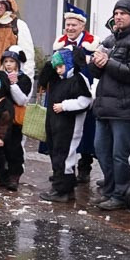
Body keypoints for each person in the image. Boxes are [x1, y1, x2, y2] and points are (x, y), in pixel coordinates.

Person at [87, 0, 130, 211]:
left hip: (126, 108)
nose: (118, 17)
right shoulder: (110, 39)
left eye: (123, 13)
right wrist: (95, 62)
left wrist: (109, 63)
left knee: (120, 154)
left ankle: (121, 194)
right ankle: (109, 189)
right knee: (101, 149)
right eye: (116, 13)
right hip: (105, 106)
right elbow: (96, 71)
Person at [39, 50, 93, 202]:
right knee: (57, 155)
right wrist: (52, 62)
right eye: (56, 68)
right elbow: (43, 80)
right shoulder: (57, 78)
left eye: (61, 66)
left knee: (65, 156)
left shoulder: (78, 79)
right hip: (56, 125)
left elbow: (85, 101)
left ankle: (62, 190)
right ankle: (63, 187)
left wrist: (65, 106)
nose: (58, 70)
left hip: (70, 126)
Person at [50, 10, 98, 182]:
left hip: (84, 90)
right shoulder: (60, 44)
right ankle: (62, 169)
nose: (70, 28)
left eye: (74, 25)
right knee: (62, 134)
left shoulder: (92, 45)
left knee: (85, 132)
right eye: (68, 25)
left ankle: (84, 166)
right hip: (64, 91)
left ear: (82, 26)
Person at [0, 49, 33, 189]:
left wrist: (13, 85)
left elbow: (21, 100)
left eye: (11, 61)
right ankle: (0, 174)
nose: (8, 65)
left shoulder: (24, 79)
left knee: (14, 149)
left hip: (15, 120)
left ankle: (14, 176)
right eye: (6, 62)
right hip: (0, 118)